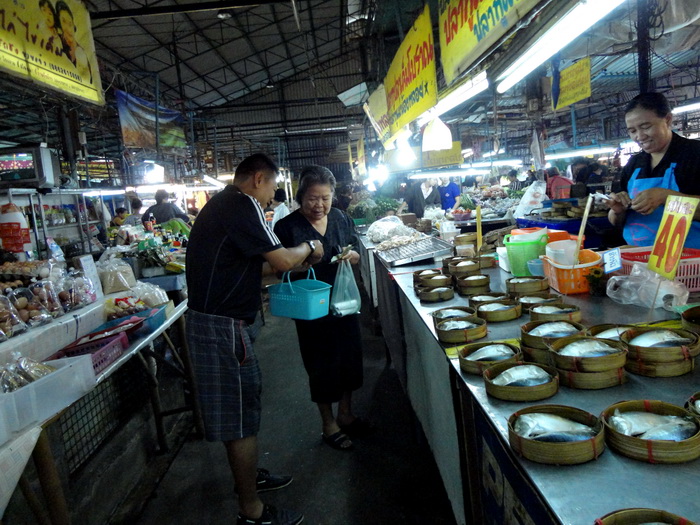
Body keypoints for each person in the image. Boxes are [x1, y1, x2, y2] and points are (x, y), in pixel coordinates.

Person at [186, 154, 322, 525]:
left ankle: (247, 479)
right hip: (222, 329)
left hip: (217, 325)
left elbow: (252, 268)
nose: (272, 197)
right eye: (273, 188)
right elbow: (281, 261)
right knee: (241, 419)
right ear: (258, 178)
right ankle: (251, 511)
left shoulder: (225, 206)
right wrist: (308, 247)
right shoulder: (241, 204)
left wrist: (296, 262)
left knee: (239, 413)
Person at [274, 165, 370, 453]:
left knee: (350, 357)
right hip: (311, 307)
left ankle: (346, 413)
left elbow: (355, 249)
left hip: (344, 300)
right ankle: (328, 424)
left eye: (325, 198)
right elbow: (279, 269)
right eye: (313, 198)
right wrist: (303, 262)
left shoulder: (340, 218)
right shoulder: (287, 227)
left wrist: (352, 256)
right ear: (301, 197)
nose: (319, 205)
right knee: (321, 364)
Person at [607, 92, 700, 248]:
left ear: (668, 120)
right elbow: (615, 220)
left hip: (688, 258)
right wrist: (618, 211)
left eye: (646, 127)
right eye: (632, 131)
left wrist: (666, 197)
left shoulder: (694, 154)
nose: (640, 136)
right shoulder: (634, 164)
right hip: (639, 255)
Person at [55, 0, 93, 84]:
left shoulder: (81, 53)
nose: (68, 29)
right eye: (63, 22)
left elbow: (87, 81)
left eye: (70, 23)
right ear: (59, 25)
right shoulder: (57, 43)